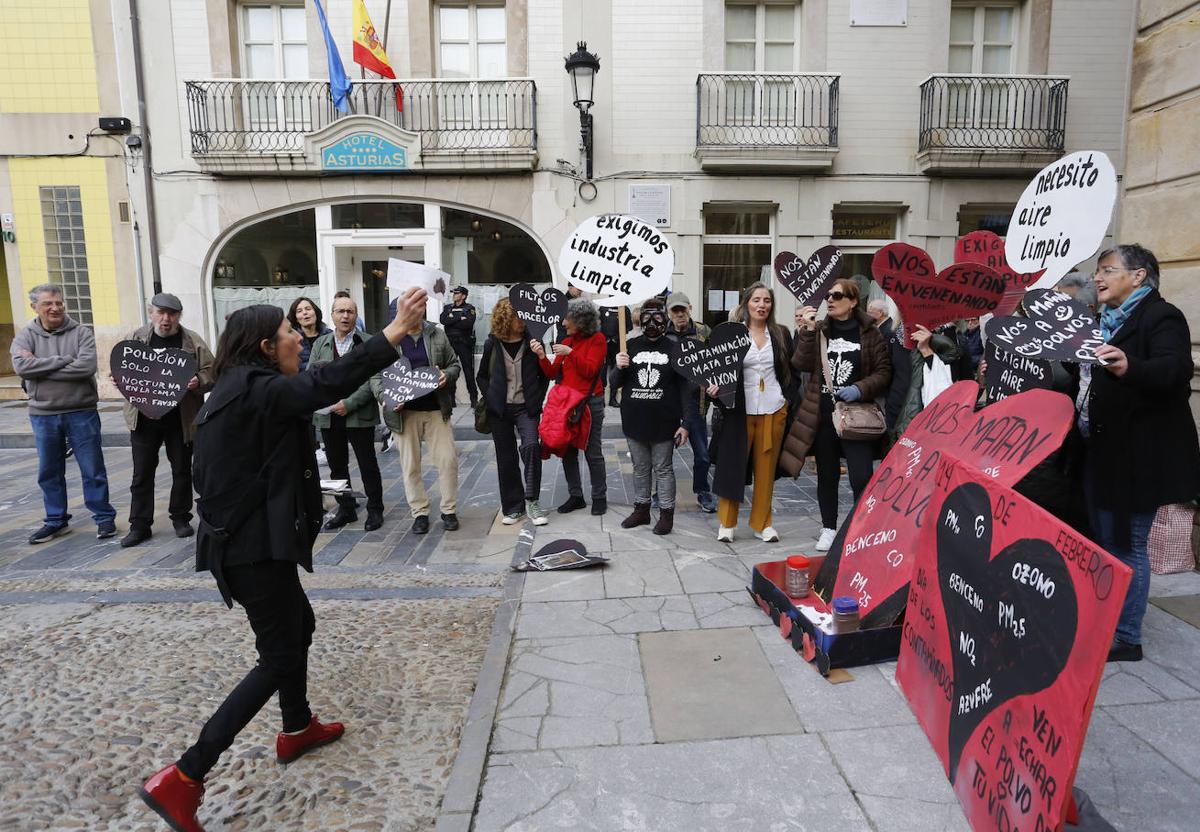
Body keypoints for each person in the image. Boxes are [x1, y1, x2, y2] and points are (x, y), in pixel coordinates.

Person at [138, 288, 429, 832]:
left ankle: (296, 728)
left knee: (300, 625)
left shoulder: (235, 386)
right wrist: (394, 334)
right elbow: (323, 385)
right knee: (277, 655)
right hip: (251, 550)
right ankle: (184, 776)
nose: (302, 337)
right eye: (292, 333)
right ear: (268, 346)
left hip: (251, 542)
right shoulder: (257, 389)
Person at [1082, 244, 1200, 663]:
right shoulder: (1103, 322)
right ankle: (1110, 619)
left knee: (1128, 544)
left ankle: (1127, 637)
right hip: (1104, 452)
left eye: (1108, 270)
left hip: (1139, 457)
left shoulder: (1160, 315)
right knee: (1106, 541)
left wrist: (1130, 366)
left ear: (1138, 277)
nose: (1098, 278)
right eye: (1097, 271)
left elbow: (1176, 371)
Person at [780, 278, 892, 551]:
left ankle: (859, 527)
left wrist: (859, 388)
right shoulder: (819, 330)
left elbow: (884, 371)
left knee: (861, 475)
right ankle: (828, 528)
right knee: (826, 474)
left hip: (857, 415)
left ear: (853, 301)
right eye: (828, 295)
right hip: (823, 415)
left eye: (837, 295)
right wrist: (807, 331)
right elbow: (800, 363)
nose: (829, 299)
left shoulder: (870, 333)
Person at [12, 284, 118, 543]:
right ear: (34, 307)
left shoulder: (81, 332)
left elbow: (85, 368)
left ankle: (103, 517)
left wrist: (41, 366)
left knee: (92, 468)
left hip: (81, 411)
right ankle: (56, 520)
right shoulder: (25, 336)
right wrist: (63, 360)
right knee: (49, 470)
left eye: (59, 302)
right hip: (43, 414)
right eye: (48, 303)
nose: (55, 307)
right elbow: (22, 367)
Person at [120, 293, 216, 548]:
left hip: (181, 418)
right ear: (151, 313)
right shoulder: (136, 338)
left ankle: (181, 518)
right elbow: (123, 369)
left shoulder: (191, 340)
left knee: (182, 470)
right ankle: (139, 524)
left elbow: (212, 371)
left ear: (178, 317)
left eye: (171, 314)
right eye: (160, 313)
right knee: (141, 474)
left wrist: (199, 382)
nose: (166, 319)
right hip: (143, 418)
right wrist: (120, 380)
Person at [708, 282, 793, 543]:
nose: (761, 305)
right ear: (746, 304)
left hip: (772, 408)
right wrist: (714, 387)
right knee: (732, 465)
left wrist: (787, 400)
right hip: (739, 410)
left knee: (766, 470)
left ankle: (762, 523)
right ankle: (727, 523)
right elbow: (716, 368)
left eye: (766, 300)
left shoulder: (781, 334)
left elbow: (792, 369)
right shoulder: (733, 335)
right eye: (756, 300)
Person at [378, 303, 462, 534]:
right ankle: (420, 512)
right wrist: (386, 397)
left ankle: (449, 510)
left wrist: (448, 375)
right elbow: (376, 374)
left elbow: (454, 364)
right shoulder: (389, 338)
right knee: (410, 465)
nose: (416, 312)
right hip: (403, 414)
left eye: (419, 308)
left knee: (447, 460)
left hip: (436, 408)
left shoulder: (436, 334)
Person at [308, 295, 386, 531]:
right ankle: (346, 508)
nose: (345, 316)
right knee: (337, 466)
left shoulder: (368, 342)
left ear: (356, 316)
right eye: (340, 311)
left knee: (367, 464)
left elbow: (373, 378)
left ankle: (375, 509)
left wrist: (349, 403)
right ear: (332, 315)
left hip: (359, 415)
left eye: (350, 312)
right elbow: (313, 377)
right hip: (328, 415)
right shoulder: (320, 344)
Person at [612, 300, 691, 535]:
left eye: (657, 318)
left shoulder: (675, 348)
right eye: (646, 319)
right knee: (640, 467)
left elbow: (685, 389)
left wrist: (686, 423)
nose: (652, 324)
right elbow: (614, 384)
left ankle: (666, 513)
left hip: (664, 421)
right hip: (635, 419)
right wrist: (618, 366)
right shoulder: (630, 346)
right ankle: (642, 509)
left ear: (664, 319)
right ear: (640, 320)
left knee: (663, 468)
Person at [532, 297, 608, 515]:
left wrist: (571, 354)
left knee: (593, 452)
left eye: (567, 319)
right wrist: (541, 356)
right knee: (568, 451)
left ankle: (599, 496)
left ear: (581, 320)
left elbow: (591, 371)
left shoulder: (598, 340)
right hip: (567, 404)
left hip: (589, 403)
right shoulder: (566, 342)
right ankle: (576, 496)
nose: (564, 323)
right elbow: (552, 373)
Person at [477, 298, 550, 525]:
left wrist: (537, 399)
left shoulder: (534, 343)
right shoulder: (492, 344)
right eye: (519, 317)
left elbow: (545, 374)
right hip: (499, 409)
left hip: (526, 408)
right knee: (506, 457)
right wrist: (491, 397)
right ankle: (513, 507)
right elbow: (481, 376)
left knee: (531, 448)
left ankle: (532, 502)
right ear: (506, 319)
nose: (523, 322)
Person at [664, 292, 717, 513]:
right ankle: (661, 493)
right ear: (669, 312)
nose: (679, 314)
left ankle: (703, 491)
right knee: (663, 453)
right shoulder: (662, 333)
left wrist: (715, 381)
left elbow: (716, 359)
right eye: (675, 310)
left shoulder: (703, 332)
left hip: (696, 400)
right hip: (667, 401)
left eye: (682, 309)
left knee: (702, 454)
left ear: (690, 308)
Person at [890, 323, 962, 440]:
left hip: (931, 421)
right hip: (896, 410)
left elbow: (955, 380)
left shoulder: (947, 336)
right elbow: (888, 373)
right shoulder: (894, 336)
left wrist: (927, 351)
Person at [440, 285, 478, 408]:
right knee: (450, 370)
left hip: (464, 343)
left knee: (468, 371)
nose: (454, 295)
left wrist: (452, 320)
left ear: (463, 296)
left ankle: (473, 398)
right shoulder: (448, 308)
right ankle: (451, 399)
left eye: (457, 293)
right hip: (450, 343)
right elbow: (443, 320)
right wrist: (458, 318)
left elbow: (468, 324)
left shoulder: (469, 308)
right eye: (454, 293)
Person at [600, 305, 632, 406]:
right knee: (602, 370)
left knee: (617, 369)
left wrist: (616, 337)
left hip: (618, 344)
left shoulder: (624, 309)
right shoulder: (603, 308)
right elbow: (597, 325)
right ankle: (601, 398)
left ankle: (612, 399)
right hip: (603, 344)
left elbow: (629, 326)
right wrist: (604, 338)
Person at [288, 296, 330, 370]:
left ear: (316, 313)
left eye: (308, 309)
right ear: (296, 318)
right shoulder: (292, 338)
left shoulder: (329, 335)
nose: (305, 312)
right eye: (299, 311)